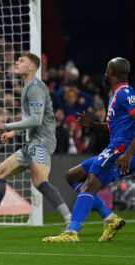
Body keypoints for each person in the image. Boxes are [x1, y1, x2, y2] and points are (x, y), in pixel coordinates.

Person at [0, 52, 71, 233]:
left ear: (32, 67)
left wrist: (5, 124)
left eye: (21, 61)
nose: (17, 62)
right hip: (30, 143)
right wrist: (14, 132)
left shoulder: (35, 88)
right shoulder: (27, 87)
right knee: (0, 172)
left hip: (41, 142)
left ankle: (70, 221)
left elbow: (37, 120)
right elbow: (30, 118)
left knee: (40, 181)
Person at [43, 57, 135, 243]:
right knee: (73, 175)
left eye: (107, 69)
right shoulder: (116, 94)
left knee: (89, 184)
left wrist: (128, 154)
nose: (104, 72)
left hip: (121, 151)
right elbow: (115, 127)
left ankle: (72, 232)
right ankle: (110, 219)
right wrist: (92, 124)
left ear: (112, 73)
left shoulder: (125, 93)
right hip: (116, 148)